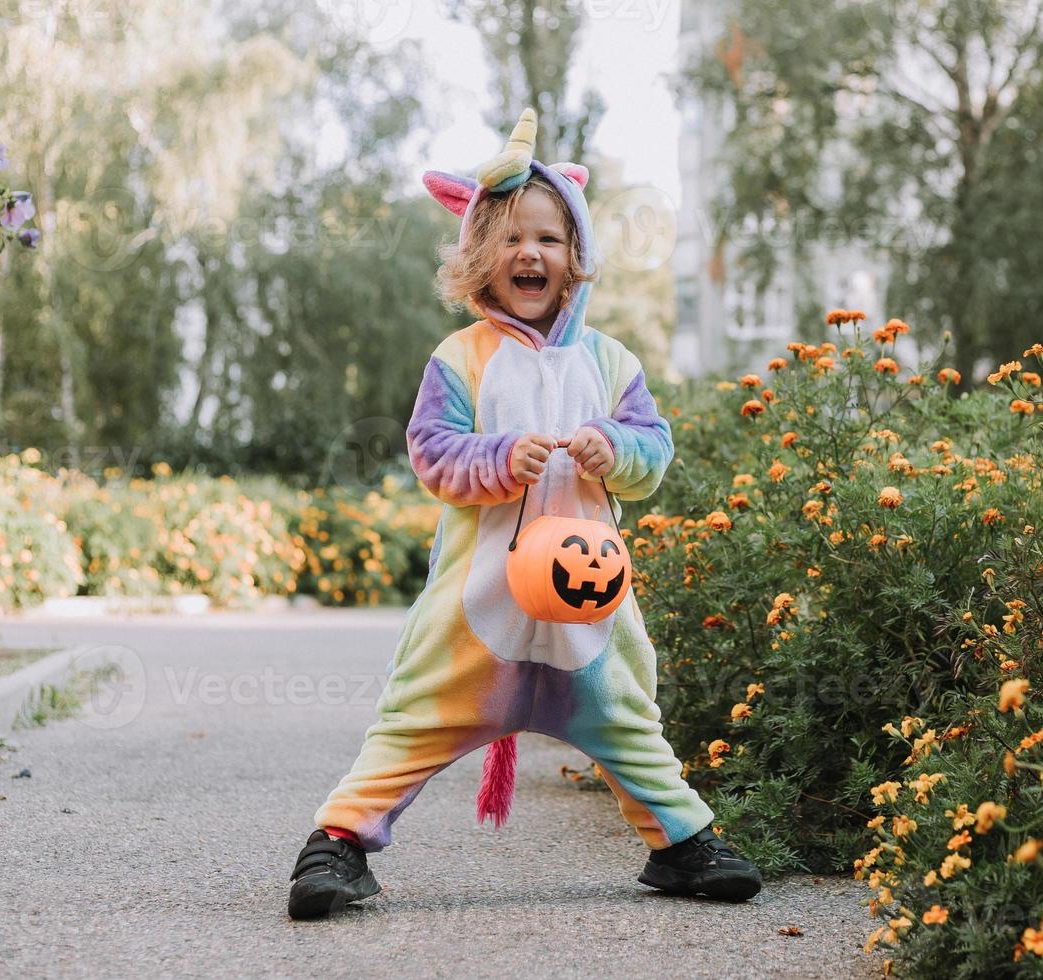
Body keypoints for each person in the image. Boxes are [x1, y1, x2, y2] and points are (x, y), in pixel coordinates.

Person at [286, 109, 762, 920]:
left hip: (589, 608)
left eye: (547, 238)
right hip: (480, 609)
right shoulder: (461, 358)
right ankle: (336, 845)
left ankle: (682, 844)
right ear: (478, 258)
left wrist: (619, 448)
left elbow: (655, 449)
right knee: (418, 718)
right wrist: (501, 459)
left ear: (575, 256)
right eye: (509, 240)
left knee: (627, 720)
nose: (529, 253)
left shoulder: (612, 361)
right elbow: (432, 453)